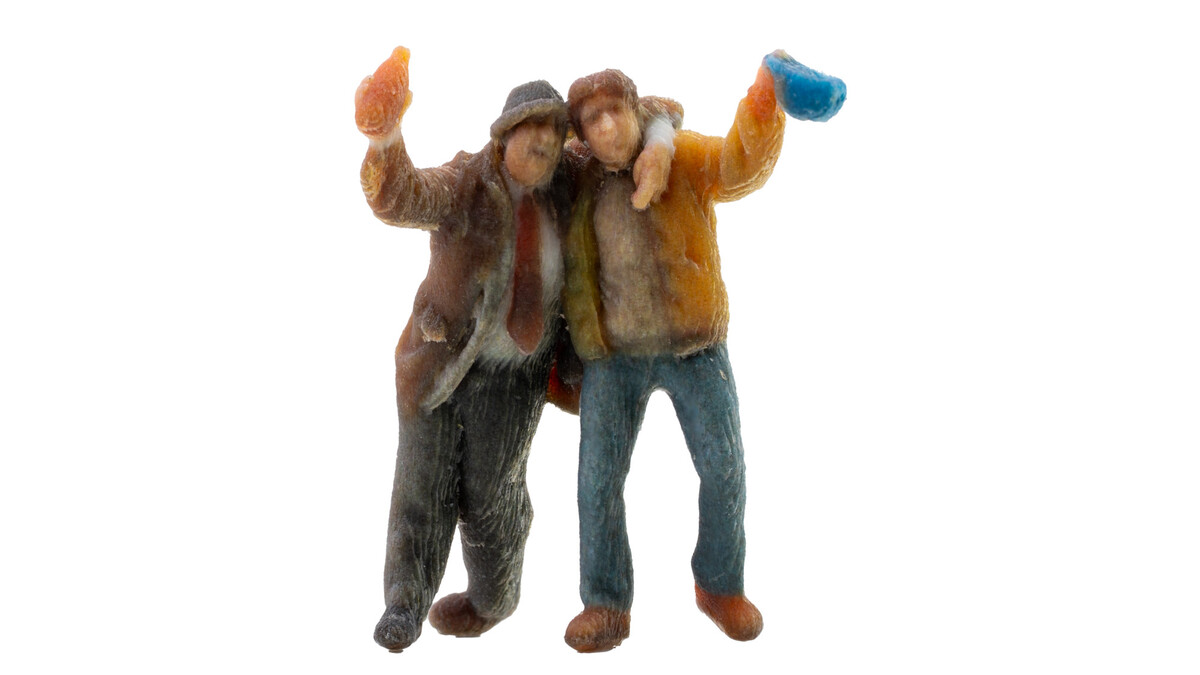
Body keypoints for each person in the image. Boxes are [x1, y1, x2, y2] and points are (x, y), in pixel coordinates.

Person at [353, 47, 677, 653]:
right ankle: (403, 603)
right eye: (531, 130)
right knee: (420, 484)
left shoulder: (569, 178)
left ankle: (492, 600)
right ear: (502, 135)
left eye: (555, 133)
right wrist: (384, 134)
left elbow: (662, 111)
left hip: (515, 376)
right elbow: (400, 196)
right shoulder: (465, 181)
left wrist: (653, 140)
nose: (544, 143)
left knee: (490, 497)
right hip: (439, 363)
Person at [559, 63, 789, 652]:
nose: (607, 127)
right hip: (614, 355)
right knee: (597, 482)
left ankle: (719, 585)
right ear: (580, 134)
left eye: (615, 110)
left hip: (695, 346)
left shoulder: (679, 156)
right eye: (592, 119)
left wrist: (763, 105)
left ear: (635, 110)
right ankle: (605, 601)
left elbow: (737, 166)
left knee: (724, 467)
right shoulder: (579, 177)